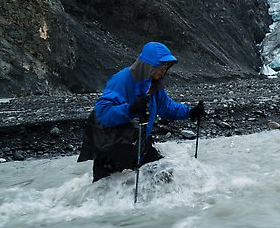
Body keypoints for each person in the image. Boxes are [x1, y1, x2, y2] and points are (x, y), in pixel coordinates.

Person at [77, 42, 205, 182]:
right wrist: (130, 109)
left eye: (166, 67)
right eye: (161, 67)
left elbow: (166, 107)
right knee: (102, 191)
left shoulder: (154, 84)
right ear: (148, 65)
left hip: (137, 143)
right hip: (111, 147)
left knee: (164, 176)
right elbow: (103, 113)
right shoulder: (122, 80)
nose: (163, 71)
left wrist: (190, 112)